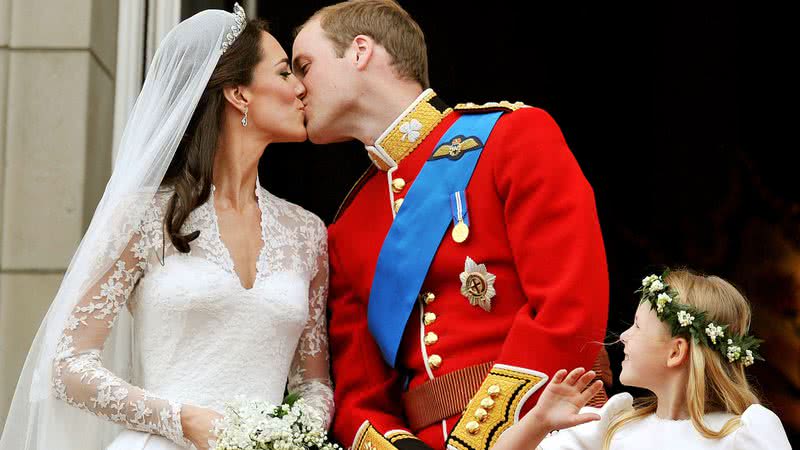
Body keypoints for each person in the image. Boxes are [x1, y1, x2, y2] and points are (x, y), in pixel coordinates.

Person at [0, 5, 332, 450]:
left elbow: (314, 384)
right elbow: (68, 365)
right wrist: (184, 420)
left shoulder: (307, 233)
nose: (300, 88)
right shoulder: (142, 217)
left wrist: (286, 436)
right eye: (284, 73)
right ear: (239, 94)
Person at [291, 2, 609, 450]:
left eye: (304, 66)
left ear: (359, 51)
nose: (296, 89)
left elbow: (569, 310)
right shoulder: (349, 226)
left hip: (550, 428)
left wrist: (482, 439)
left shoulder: (512, 138)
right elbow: (359, 395)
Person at [491, 269, 793, 450]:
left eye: (636, 325)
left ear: (675, 352)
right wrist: (539, 421)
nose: (623, 336)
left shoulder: (741, 433)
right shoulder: (613, 425)